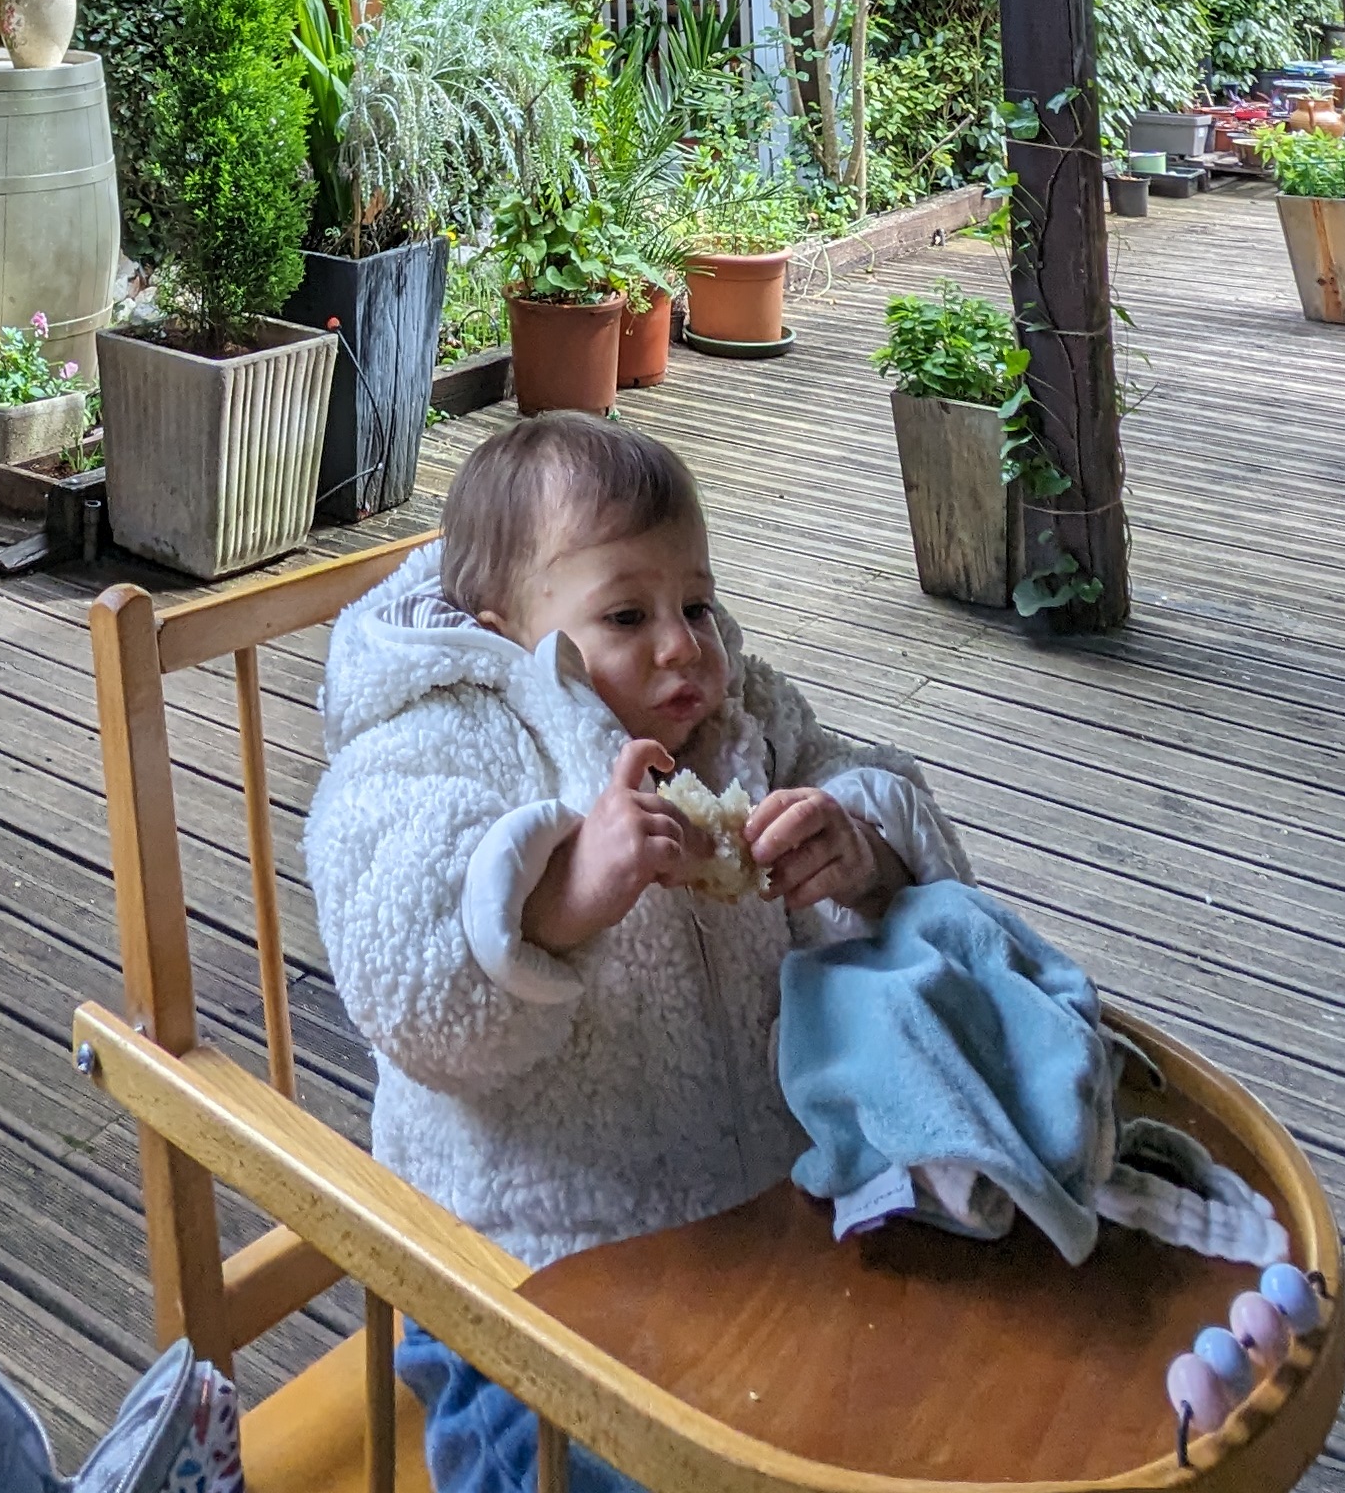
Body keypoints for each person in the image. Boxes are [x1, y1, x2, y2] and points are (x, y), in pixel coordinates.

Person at [304, 412, 968, 1493]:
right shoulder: (436, 739)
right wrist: (562, 895)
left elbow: (864, 775)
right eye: (627, 615)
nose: (684, 646)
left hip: (768, 1226)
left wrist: (862, 840)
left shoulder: (740, 717)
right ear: (506, 631)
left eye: (696, 604)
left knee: (939, 1400)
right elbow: (403, 976)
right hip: (525, 1282)